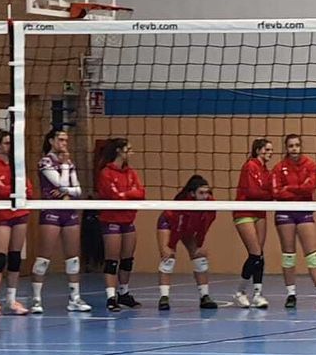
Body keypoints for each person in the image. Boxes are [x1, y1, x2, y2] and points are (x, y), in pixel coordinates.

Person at [272, 134, 316, 309]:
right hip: (285, 212)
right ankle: (291, 294)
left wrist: (290, 189)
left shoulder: (310, 165)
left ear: (301, 147)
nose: (294, 148)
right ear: (286, 148)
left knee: (312, 254)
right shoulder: (279, 168)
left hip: (303, 211)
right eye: (291, 145)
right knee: (288, 254)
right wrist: (297, 191)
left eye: (297, 145)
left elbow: (311, 186)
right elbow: (277, 192)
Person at [32, 127, 91, 313]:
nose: (64, 144)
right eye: (61, 140)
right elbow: (61, 184)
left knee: (73, 257)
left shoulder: (69, 162)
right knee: (43, 258)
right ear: (51, 141)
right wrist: (65, 170)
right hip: (51, 211)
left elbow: (78, 190)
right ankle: (36, 299)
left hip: (69, 211)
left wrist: (67, 190)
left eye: (66, 140)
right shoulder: (45, 162)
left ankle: (74, 298)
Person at [94, 138, 146, 312]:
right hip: (111, 220)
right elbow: (114, 196)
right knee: (112, 260)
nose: (131, 152)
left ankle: (123, 293)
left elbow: (141, 193)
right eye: (128, 148)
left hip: (128, 219)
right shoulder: (106, 173)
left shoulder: (131, 172)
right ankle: (111, 297)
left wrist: (127, 193)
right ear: (118, 151)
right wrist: (129, 193)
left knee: (127, 260)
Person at [0, 129, 30, 317]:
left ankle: (12, 300)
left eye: (11, 143)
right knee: (0, 257)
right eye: (5, 143)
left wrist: (13, 190)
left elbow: (28, 189)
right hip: (1, 214)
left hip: (20, 212)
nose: (8, 146)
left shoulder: (17, 165)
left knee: (15, 257)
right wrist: (13, 190)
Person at [158, 175, 218, 310]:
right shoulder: (182, 205)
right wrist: (170, 247)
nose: (205, 196)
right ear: (192, 193)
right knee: (168, 258)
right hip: (169, 223)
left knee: (200, 258)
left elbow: (206, 225)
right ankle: (164, 298)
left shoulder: (211, 205)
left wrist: (199, 244)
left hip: (190, 227)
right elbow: (178, 228)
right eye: (201, 193)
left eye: (207, 192)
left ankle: (205, 297)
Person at [234, 138, 274, 309]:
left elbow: (270, 190)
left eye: (271, 150)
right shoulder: (250, 166)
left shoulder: (267, 171)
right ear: (258, 150)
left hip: (260, 212)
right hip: (244, 211)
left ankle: (257, 294)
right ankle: (240, 291)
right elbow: (253, 191)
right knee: (255, 253)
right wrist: (270, 195)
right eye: (267, 149)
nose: (270, 152)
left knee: (260, 255)